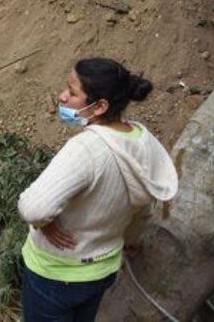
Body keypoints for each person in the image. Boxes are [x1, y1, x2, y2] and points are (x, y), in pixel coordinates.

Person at [17, 58, 177, 321]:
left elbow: (33, 208)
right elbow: (143, 208)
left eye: (73, 92)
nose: (62, 96)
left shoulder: (86, 150)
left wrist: (44, 222)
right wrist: (131, 240)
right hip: (101, 271)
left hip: (55, 272)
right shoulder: (141, 141)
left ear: (100, 106)